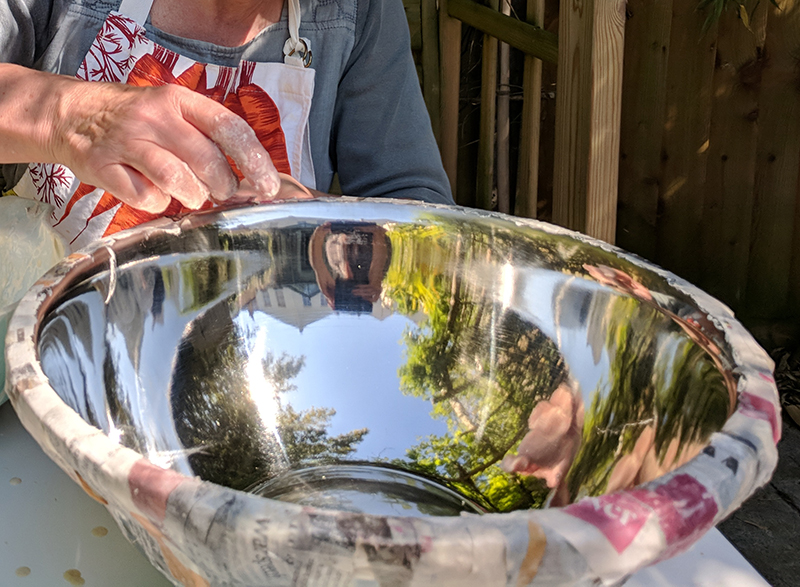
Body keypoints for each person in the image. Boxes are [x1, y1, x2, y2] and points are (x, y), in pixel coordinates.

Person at [0, 0, 453, 251]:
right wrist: (72, 116)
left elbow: (418, 211)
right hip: (46, 334)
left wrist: (317, 221)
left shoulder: (361, 12)